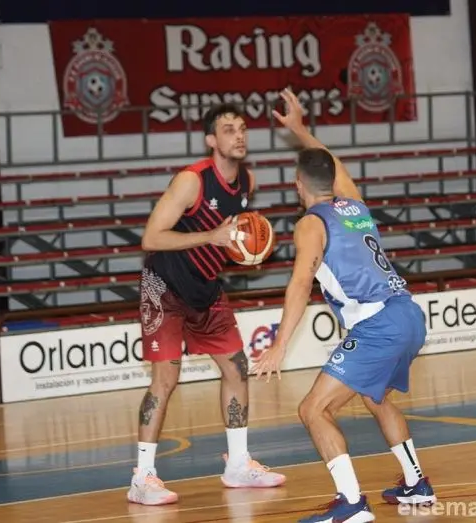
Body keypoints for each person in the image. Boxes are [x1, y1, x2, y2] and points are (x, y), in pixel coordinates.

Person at [252, 89, 437, 522]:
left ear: (298, 185)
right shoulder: (354, 203)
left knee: (313, 409)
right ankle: (416, 483)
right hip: (409, 314)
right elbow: (333, 166)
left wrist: (280, 344)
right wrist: (301, 131)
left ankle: (352, 503)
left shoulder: (309, 223)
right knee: (377, 398)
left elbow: (300, 283)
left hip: (379, 323)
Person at [128, 103, 286, 506]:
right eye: (229, 129)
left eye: (243, 128)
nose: (240, 135)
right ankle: (142, 478)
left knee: (237, 367)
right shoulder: (191, 181)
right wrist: (211, 237)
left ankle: (238, 464)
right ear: (211, 140)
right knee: (165, 380)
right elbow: (151, 238)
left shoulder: (247, 180)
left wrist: (247, 250)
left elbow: (230, 237)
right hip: (164, 287)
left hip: (206, 289)